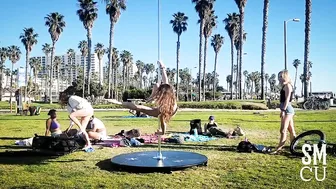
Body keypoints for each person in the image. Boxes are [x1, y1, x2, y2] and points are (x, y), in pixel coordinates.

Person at [109, 61, 177, 135]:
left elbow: (163, 121)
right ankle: (120, 102)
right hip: (165, 107)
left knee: (141, 108)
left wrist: (162, 132)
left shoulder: (165, 108)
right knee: (155, 88)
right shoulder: (168, 91)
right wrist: (162, 67)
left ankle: (120, 102)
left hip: (167, 111)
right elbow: (165, 80)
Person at [271, 70, 296, 154]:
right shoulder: (284, 86)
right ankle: (293, 147)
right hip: (286, 109)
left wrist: (283, 110)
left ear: (286, 77)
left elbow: (287, 100)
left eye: (281, 76)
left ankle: (279, 148)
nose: (279, 78)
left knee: (283, 130)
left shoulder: (288, 86)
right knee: (291, 130)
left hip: (287, 110)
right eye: (279, 77)